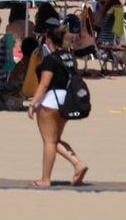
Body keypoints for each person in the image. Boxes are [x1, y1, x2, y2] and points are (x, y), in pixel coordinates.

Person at [27, 23, 88, 187]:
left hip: (50, 101)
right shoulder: (69, 57)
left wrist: (32, 103)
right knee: (55, 140)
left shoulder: (50, 59)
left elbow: (44, 84)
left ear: (48, 39)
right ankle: (77, 164)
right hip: (65, 99)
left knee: (48, 141)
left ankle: (45, 179)